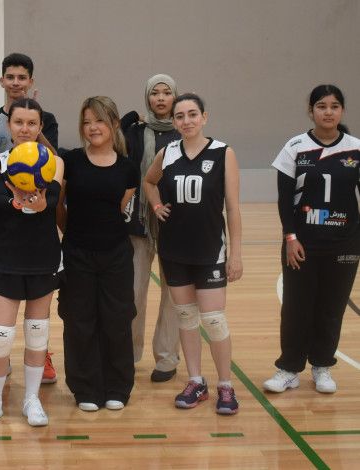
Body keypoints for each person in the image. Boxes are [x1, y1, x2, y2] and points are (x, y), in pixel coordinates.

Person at [143, 93, 243, 415]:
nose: (187, 121)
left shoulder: (223, 152)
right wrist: (157, 205)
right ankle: (196, 381)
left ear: (204, 116)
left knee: (214, 320)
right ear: (174, 122)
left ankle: (225, 386)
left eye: (192, 114)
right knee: (186, 318)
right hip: (174, 250)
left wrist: (236, 253)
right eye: (180, 116)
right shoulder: (167, 152)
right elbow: (148, 181)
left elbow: (233, 207)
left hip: (210, 249)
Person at [263, 85, 360, 395]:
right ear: (311, 110)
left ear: (342, 111)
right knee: (296, 308)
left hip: (344, 244)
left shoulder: (356, 149)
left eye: (334, 106)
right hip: (302, 243)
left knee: (331, 308)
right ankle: (289, 368)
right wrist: (290, 237)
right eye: (321, 106)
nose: (327, 112)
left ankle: (322, 366)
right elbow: (283, 199)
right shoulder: (295, 147)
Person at [0, 98, 64, 428]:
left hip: (42, 257)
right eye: (18, 123)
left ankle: (31, 399)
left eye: (31, 123)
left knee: (37, 333)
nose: (25, 129)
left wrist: (40, 205)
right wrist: (22, 200)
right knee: (0, 334)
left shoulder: (54, 162)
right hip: (5, 257)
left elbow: (50, 201)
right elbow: (2, 200)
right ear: (8, 126)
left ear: (40, 127)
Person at [57, 96, 139, 411]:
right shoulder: (71, 161)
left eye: (100, 120)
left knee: (117, 320)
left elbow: (118, 210)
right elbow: (59, 208)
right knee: (79, 321)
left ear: (115, 124)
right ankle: (85, 388)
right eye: (87, 121)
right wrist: (73, 236)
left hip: (116, 254)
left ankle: (118, 386)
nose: (92, 127)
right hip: (77, 253)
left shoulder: (128, 168)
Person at [123, 74, 181, 382]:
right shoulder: (134, 131)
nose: (160, 98)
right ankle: (129, 355)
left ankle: (167, 358)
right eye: (155, 93)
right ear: (147, 98)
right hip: (138, 224)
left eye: (167, 92)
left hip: (174, 224)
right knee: (134, 293)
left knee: (173, 295)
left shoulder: (183, 131)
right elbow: (115, 144)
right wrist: (130, 117)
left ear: (175, 97)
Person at [0, 52, 58, 154]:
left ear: (30, 82)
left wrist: (34, 120)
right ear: (2, 81)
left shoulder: (47, 118)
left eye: (22, 78)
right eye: (10, 77)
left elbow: (54, 157)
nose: (15, 83)